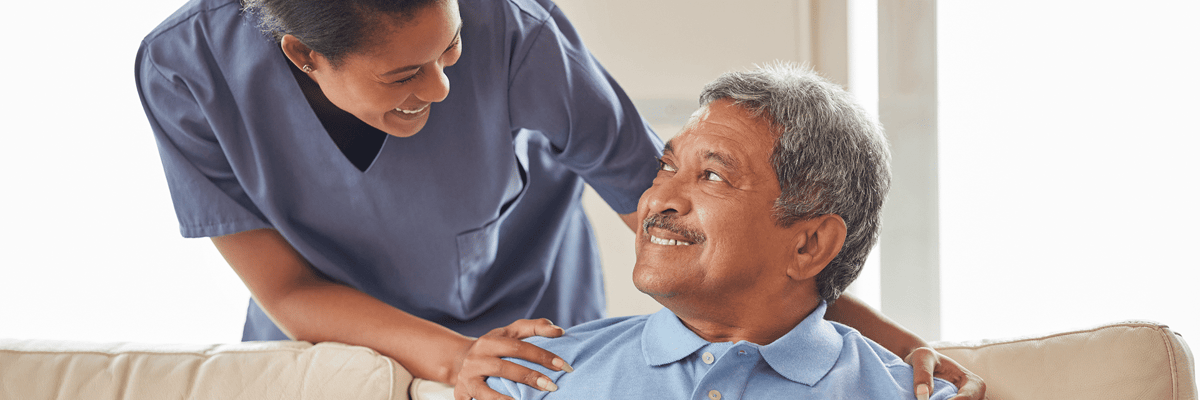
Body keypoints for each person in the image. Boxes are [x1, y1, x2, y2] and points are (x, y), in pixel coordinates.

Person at [134, 0, 984, 399]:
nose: (441, 83)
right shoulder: (187, 69)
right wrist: (451, 358)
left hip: (530, 329)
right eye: (403, 74)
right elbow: (286, 292)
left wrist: (908, 350)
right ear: (302, 57)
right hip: (338, 333)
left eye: (453, 46)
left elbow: (704, 237)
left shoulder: (518, 36)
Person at [487, 63, 959, 400]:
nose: (657, 200)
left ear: (809, 245)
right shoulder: (531, 376)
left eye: (713, 176)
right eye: (666, 167)